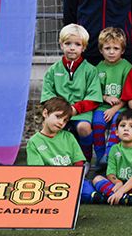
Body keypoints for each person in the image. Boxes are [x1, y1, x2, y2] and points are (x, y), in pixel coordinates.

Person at [40, 23, 103, 162]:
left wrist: (74, 109)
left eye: (77, 44)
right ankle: (57, 160)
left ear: (84, 47)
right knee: (52, 126)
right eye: (68, 43)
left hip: (80, 112)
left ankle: (85, 160)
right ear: (61, 45)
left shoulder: (91, 70)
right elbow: (47, 96)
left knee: (84, 127)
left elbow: (93, 98)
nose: (72, 48)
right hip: (59, 112)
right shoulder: (53, 70)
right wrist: (61, 110)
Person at [26, 97, 98, 204]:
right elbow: (37, 171)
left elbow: (78, 162)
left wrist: (74, 179)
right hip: (49, 182)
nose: (61, 123)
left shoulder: (69, 137)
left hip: (72, 179)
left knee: (88, 191)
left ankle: (97, 197)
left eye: (65, 120)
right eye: (58, 117)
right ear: (45, 113)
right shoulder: (34, 142)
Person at [90, 109, 132, 206]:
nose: (126, 129)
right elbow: (110, 173)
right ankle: (126, 198)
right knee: (97, 179)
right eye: (123, 125)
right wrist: (118, 182)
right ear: (116, 132)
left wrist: (121, 191)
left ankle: (110, 197)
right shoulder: (114, 149)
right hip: (118, 185)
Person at [91, 27, 132, 165]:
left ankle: (109, 155)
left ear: (122, 50)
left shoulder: (127, 67)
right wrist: (105, 98)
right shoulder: (98, 68)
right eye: (107, 48)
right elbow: (95, 91)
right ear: (101, 50)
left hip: (121, 107)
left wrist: (114, 109)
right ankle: (100, 157)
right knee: (97, 124)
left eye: (116, 48)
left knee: (117, 124)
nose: (111, 52)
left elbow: (127, 95)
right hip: (102, 107)